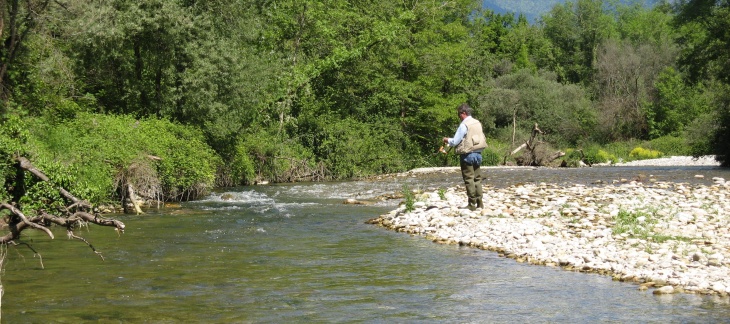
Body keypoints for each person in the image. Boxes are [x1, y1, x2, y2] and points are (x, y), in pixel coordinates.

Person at [443, 103, 487, 210]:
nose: (459, 117)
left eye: (459, 114)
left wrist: (446, 140)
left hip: (467, 155)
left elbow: (455, 141)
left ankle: (471, 204)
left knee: (469, 179)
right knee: (477, 179)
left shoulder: (464, 125)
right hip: (478, 154)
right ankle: (480, 203)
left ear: (463, 113)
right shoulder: (477, 122)